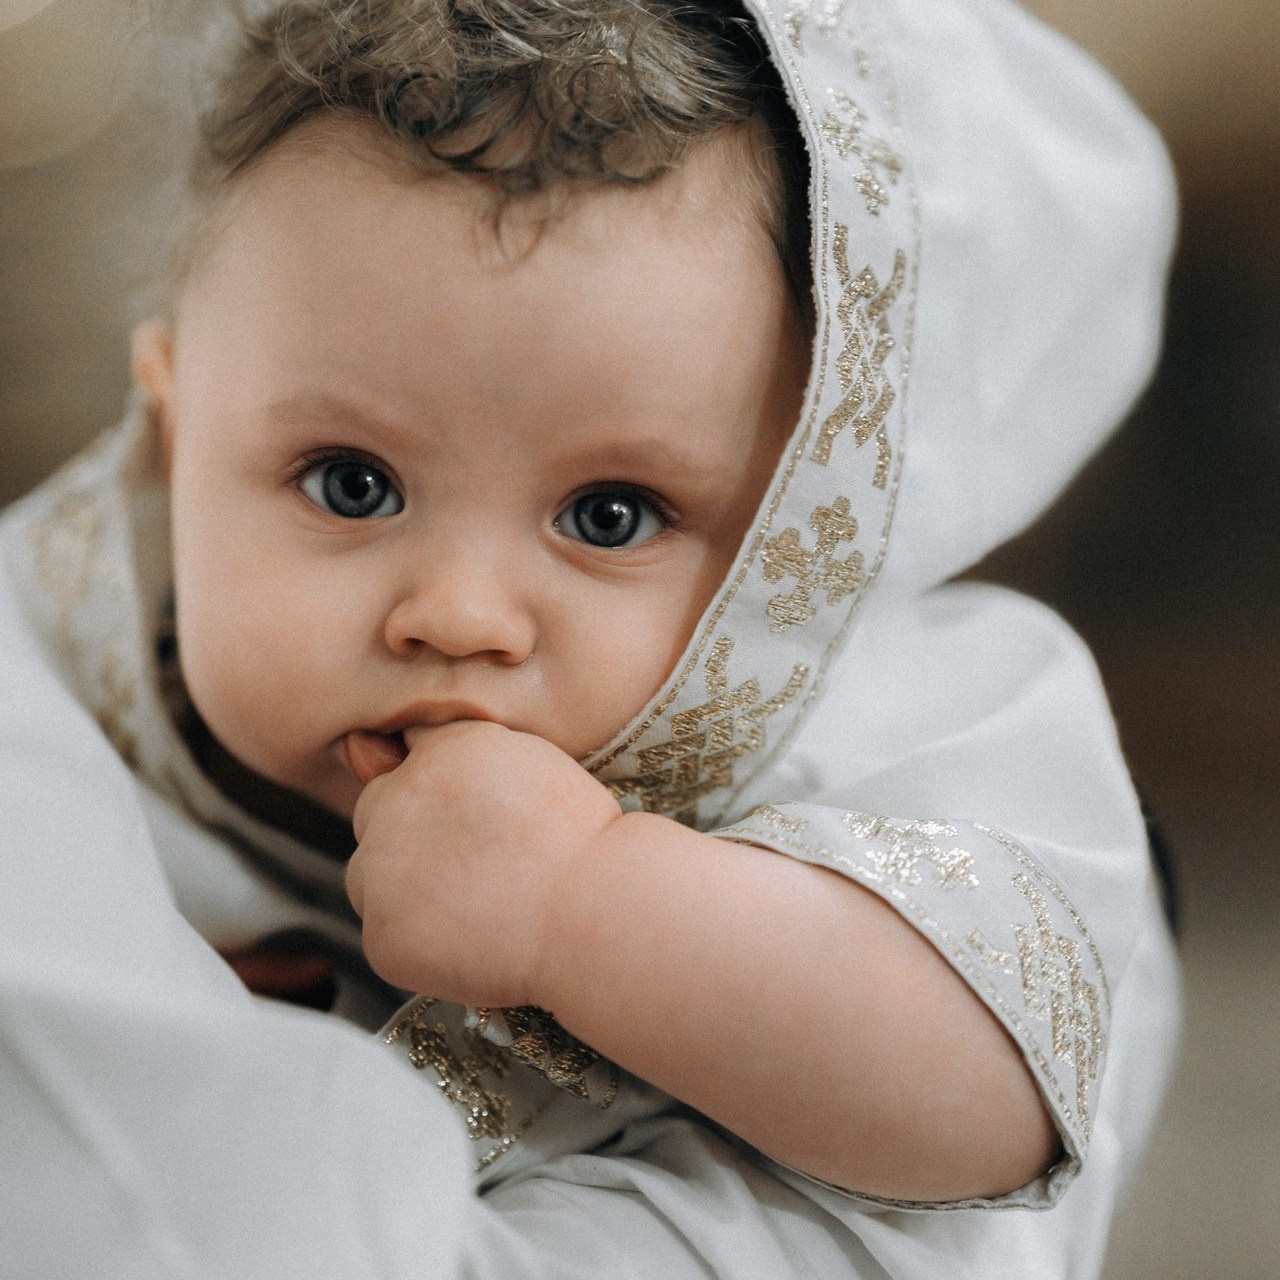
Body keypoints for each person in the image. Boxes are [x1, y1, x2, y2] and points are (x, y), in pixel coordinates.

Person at [0, 0, 1180, 1275]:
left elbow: (992, 1104)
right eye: (349, 483)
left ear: (801, 532)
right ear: (171, 443)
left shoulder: (884, 711)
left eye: (608, 516)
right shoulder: (61, 652)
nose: (454, 611)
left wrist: (582, 903)